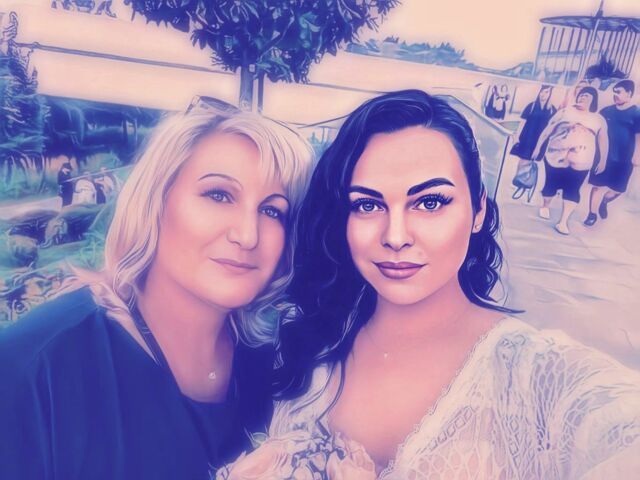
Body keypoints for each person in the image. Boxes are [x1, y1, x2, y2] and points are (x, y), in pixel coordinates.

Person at [217, 90, 640, 479]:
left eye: (430, 202)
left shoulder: (537, 377)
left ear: (478, 210)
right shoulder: (308, 338)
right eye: (368, 205)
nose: (395, 236)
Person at [0, 99, 314, 479]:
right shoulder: (34, 369)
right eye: (218, 195)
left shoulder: (279, 367)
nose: (247, 235)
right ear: (155, 200)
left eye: (273, 210)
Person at [532, 86, 608, 235]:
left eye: (586, 96)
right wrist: (538, 147)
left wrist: (603, 160)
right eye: (581, 95)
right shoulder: (565, 112)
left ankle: (563, 221)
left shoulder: (598, 119)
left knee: (573, 189)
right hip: (555, 155)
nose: (582, 97)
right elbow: (548, 130)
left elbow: (603, 140)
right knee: (551, 184)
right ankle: (545, 206)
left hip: (582, 160)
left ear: (593, 100)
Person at [584, 80, 640, 226]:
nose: (615, 95)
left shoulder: (636, 113)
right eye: (614, 92)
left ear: (629, 93)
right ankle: (592, 214)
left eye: (619, 92)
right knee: (597, 186)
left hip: (624, 159)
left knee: (618, 190)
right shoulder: (606, 111)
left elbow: (638, 136)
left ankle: (605, 201)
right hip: (604, 156)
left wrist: (637, 155)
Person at [510, 85, 556, 200]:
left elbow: (551, 129)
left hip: (540, 140)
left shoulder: (552, 110)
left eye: (546, 92)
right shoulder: (531, 106)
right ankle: (518, 180)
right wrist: (517, 136)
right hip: (527, 137)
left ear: (550, 94)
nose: (543, 94)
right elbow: (522, 122)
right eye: (542, 92)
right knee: (523, 160)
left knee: (532, 162)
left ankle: (527, 182)